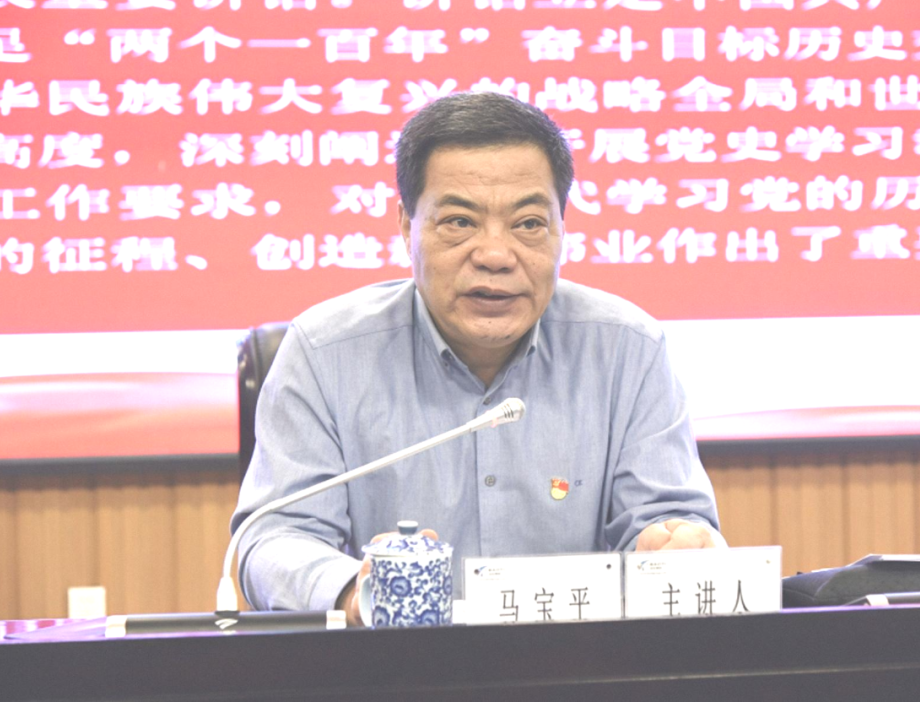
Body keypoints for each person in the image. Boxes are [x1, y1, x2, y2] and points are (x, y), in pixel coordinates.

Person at [232, 92, 724, 624]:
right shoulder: (324, 354)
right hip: (391, 664)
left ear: (561, 226)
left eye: (528, 223)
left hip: (572, 662)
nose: (495, 255)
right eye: (459, 222)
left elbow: (668, 520)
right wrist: (357, 590)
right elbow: (274, 538)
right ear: (407, 224)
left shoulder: (628, 349)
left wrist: (674, 544)